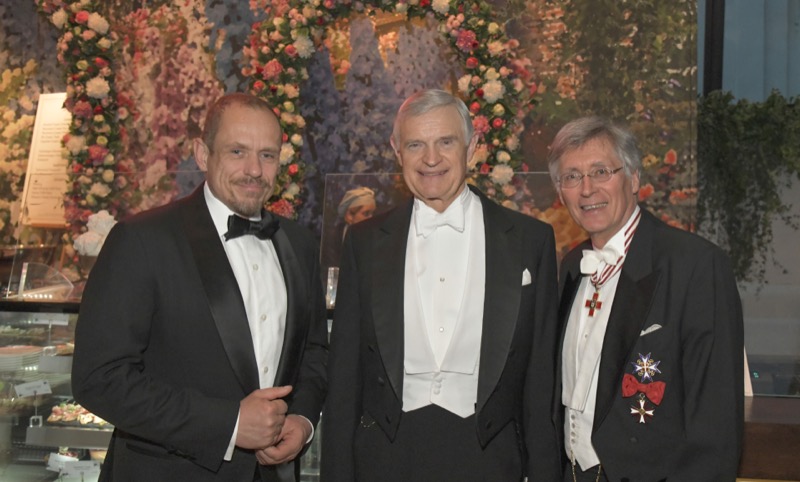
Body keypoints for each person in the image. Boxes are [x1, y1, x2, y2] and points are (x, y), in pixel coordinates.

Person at [72, 93, 328, 482]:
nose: (254, 170)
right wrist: (229, 424)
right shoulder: (141, 240)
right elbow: (99, 378)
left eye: (267, 155)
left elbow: (314, 352)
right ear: (203, 154)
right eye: (237, 152)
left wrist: (302, 419)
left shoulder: (299, 244)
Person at [320, 89, 562, 482]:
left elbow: (540, 382)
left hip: (490, 459)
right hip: (385, 459)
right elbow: (344, 378)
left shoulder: (529, 241)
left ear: (472, 148)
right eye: (416, 144)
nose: (431, 159)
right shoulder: (364, 242)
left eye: (445, 142)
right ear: (397, 152)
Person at [550, 116, 743, 481]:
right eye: (572, 177)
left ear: (634, 178)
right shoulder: (572, 265)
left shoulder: (696, 265)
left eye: (601, 171)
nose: (587, 189)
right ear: (561, 193)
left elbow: (715, 424)